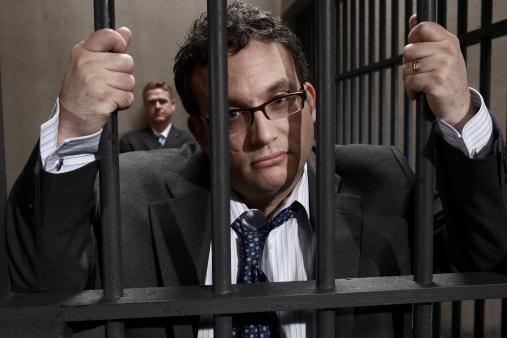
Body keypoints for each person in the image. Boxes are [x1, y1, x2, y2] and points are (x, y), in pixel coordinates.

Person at [6, 1, 507, 337]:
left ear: (309, 102)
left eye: (281, 100)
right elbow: (38, 285)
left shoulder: (384, 181)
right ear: (198, 132)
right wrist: (73, 125)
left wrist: (460, 112)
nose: (264, 133)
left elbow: (489, 254)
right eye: (231, 113)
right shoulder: (133, 189)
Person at [119, 81, 195, 153]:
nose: (157, 106)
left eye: (162, 101)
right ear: (145, 107)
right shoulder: (130, 141)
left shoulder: (190, 140)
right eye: (151, 102)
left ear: (172, 105)